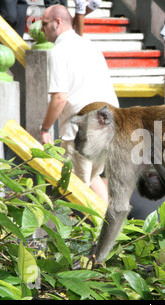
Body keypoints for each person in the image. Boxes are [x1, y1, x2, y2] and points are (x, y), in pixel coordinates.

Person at [40, 5, 119, 202]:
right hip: (110, 122)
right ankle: (115, 228)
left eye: (43, 24)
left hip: (84, 126)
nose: (41, 29)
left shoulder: (58, 51)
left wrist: (45, 128)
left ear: (57, 22)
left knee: (74, 189)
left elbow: (59, 98)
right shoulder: (90, 45)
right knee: (92, 178)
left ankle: (93, 231)